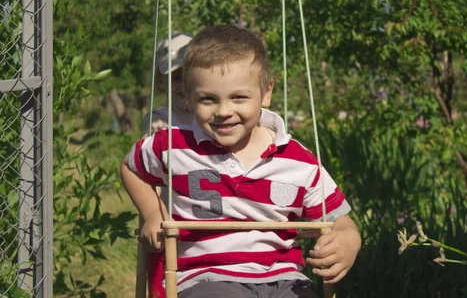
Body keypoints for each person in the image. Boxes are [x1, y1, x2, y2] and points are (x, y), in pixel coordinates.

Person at [121, 25, 361, 297]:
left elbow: (340, 220)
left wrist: (348, 240)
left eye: (239, 97)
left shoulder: (297, 161)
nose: (224, 111)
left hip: (285, 278)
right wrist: (153, 213)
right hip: (207, 278)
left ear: (266, 92)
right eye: (208, 99)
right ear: (188, 98)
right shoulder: (175, 145)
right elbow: (131, 166)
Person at [142, 32, 194, 298]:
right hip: (168, 216)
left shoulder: (216, 114)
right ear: (161, 82)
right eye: (175, 77)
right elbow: (143, 170)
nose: (183, 84)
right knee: (163, 284)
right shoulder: (159, 119)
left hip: (205, 216)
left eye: (189, 75)